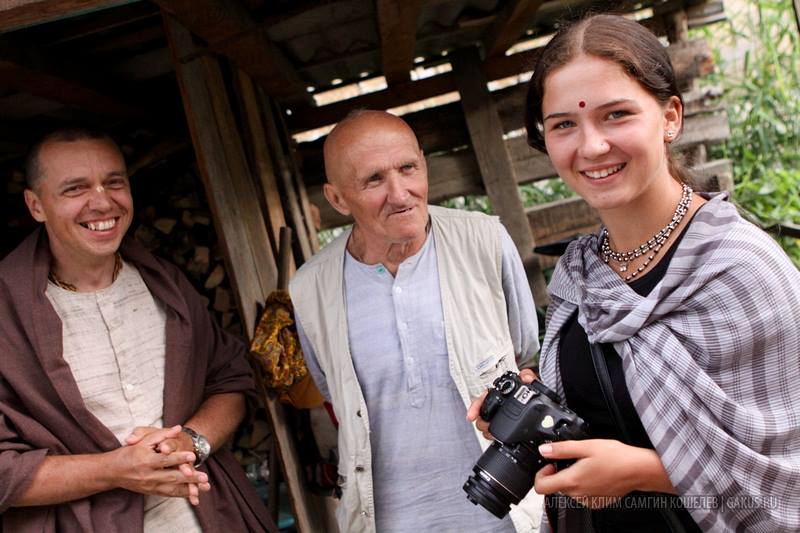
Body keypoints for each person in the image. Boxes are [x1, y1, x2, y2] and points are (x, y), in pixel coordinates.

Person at [471, 13, 800, 533]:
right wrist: (533, 408)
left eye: (616, 115)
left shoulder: (742, 271)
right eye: (564, 124)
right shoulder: (580, 275)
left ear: (670, 116)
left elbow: (790, 475)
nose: (592, 146)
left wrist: (646, 473)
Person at [0, 128, 276, 532]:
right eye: (75, 189)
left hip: (211, 517)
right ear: (36, 205)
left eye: (114, 182)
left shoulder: (164, 283)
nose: (102, 202)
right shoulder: (8, 313)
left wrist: (193, 442)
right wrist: (113, 470)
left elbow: (231, 379)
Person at [289, 110, 543, 532]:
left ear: (423, 164)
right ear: (336, 199)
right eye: (373, 180)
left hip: (509, 514)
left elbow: (524, 354)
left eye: (408, 168)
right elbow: (335, 393)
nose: (400, 192)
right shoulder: (311, 288)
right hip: (389, 521)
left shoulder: (484, 241)